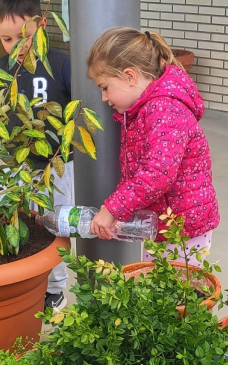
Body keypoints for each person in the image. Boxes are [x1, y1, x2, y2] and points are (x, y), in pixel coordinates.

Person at [86, 27, 219, 260]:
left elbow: (158, 173)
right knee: (163, 289)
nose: (104, 98)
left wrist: (113, 208)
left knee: (174, 292)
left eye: (105, 87)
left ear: (130, 76)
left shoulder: (165, 109)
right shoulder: (147, 109)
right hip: (168, 226)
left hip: (182, 230)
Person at [0, 0, 72, 312]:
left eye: (21, 38)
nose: (14, 47)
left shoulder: (62, 65)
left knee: (56, 225)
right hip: (17, 166)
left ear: (40, 25)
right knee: (21, 219)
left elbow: (79, 111)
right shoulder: (0, 70)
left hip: (57, 166)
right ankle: (23, 282)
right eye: (6, 39)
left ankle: (55, 288)